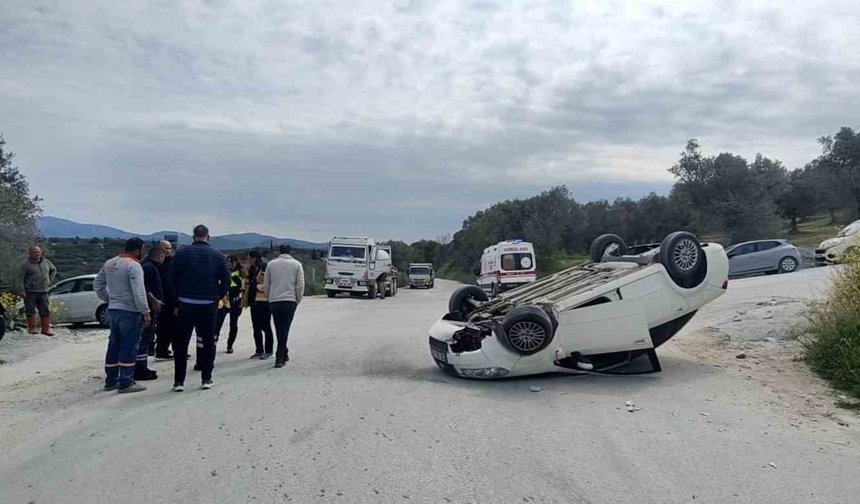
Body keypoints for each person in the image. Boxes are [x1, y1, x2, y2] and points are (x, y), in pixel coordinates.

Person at [170, 225, 230, 392]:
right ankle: (206, 378)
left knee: (181, 343)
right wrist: (217, 296)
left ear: (193, 237)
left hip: (186, 302)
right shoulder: (218, 256)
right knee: (208, 341)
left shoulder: (182, 253)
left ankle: (179, 381)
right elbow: (226, 279)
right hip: (208, 304)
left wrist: (178, 297)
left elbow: (172, 277)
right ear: (208, 237)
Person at [93, 238, 151, 394]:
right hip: (130, 311)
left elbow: (97, 285)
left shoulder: (110, 263)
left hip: (113, 310)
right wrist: (145, 311)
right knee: (129, 345)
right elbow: (139, 291)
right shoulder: (134, 265)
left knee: (114, 344)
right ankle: (125, 382)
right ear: (138, 250)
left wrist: (109, 299)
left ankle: (111, 380)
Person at [263, 244, 305, 368]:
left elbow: (266, 284)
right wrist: (297, 299)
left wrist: (269, 297)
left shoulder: (271, 264)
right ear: (290, 251)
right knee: (285, 327)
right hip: (289, 300)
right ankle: (280, 356)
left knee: (278, 327)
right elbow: (300, 285)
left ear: (279, 251)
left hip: (274, 300)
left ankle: (283, 351)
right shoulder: (297, 264)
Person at [135, 246, 164, 381]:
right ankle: (140, 369)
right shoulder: (149, 268)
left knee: (147, 338)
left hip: (149, 307)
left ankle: (142, 367)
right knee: (145, 339)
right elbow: (145, 288)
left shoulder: (148, 266)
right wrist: (155, 300)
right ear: (159, 256)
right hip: (148, 308)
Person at [20, 245, 58, 336]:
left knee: (45, 310)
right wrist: (21, 291)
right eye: (35, 252)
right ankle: (32, 328)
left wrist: (49, 280)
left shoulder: (46, 262)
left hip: (44, 291)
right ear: (30, 253)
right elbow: (19, 279)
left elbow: (54, 270)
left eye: (38, 252)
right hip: (30, 292)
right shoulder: (24, 265)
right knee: (30, 310)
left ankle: (45, 330)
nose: (37, 254)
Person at [246, 250, 274, 360]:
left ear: (254, 258)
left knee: (266, 327)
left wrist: (257, 286)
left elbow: (268, 283)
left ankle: (269, 351)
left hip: (264, 302)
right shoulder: (252, 269)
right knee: (256, 327)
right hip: (254, 301)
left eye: (249, 258)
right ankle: (259, 350)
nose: (248, 260)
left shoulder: (265, 268)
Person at [154, 240, 178, 360]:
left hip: (172, 300)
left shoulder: (174, 262)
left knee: (175, 327)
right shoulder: (157, 264)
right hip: (161, 301)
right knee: (163, 328)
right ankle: (161, 350)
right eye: (165, 248)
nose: (168, 251)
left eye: (170, 248)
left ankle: (175, 349)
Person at [222, 254, 245, 354]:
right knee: (217, 323)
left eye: (229, 262)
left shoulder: (241, 272)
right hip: (225, 300)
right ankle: (214, 341)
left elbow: (243, 286)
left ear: (235, 262)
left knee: (233, 324)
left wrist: (232, 277)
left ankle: (230, 345)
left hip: (236, 301)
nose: (227, 264)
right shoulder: (224, 271)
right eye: (226, 262)